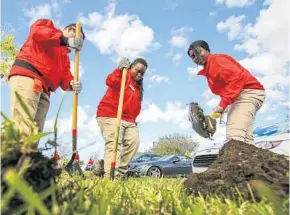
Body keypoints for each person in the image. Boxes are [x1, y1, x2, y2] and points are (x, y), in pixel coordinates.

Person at [8, 18, 85, 140]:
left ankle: (29, 158)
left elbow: (65, 76)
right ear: (71, 29)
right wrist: (65, 40)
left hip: (45, 90)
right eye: (77, 39)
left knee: (35, 133)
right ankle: (15, 158)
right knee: (23, 125)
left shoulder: (64, 57)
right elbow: (38, 32)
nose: (77, 44)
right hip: (30, 75)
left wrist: (71, 83)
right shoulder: (47, 26)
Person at [187, 40, 265, 145]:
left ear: (206, 50)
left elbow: (236, 79)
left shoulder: (216, 60)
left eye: (198, 52)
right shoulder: (209, 69)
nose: (196, 57)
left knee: (234, 138)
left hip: (247, 92)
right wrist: (217, 112)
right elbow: (228, 89)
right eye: (192, 57)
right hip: (242, 95)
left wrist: (223, 105)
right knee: (246, 140)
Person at [96, 57, 148, 178]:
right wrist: (119, 70)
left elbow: (135, 108)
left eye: (142, 73)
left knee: (133, 142)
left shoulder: (137, 88)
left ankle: (119, 172)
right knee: (114, 143)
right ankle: (110, 175)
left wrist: (133, 121)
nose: (139, 74)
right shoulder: (123, 76)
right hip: (110, 114)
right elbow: (110, 81)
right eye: (137, 70)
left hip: (128, 119)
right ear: (131, 67)